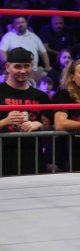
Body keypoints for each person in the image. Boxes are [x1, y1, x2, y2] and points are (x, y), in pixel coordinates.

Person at [0, 48, 52, 176]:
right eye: (18, 66)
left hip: (33, 161)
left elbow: (51, 128)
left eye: (26, 66)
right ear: (7, 67)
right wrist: (5, 121)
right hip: (3, 160)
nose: (23, 71)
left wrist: (39, 125)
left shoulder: (41, 97)